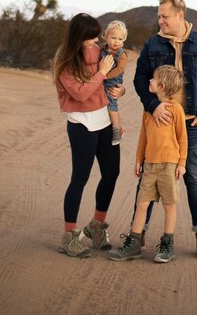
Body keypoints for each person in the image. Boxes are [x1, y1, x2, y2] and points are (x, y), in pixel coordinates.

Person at [133, 0, 197, 260]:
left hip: (191, 123)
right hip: (160, 121)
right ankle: (139, 234)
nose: (160, 21)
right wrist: (153, 105)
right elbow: (140, 79)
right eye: (159, 16)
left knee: (194, 176)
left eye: (164, 16)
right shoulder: (153, 45)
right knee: (148, 176)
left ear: (180, 15)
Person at [53, 13, 123, 258]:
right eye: (91, 36)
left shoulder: (96, 50)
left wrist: (119, 89)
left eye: (97, 36)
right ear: (78, 36)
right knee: (79, 178)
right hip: (81, 124)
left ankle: (95, 226)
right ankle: (69, 236)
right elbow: (81, 94)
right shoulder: (64, 62)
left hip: (104, 120)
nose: (95, 41)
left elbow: (108, 79)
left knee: (112, 172)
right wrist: (102, 73)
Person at [109, 65, 187, 263]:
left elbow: (183, 138)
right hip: (150, 165)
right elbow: (143, 137)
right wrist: (138, 160)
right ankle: (134, 244)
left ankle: (167, 244)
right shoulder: (149, 109)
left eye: (152, 80)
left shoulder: (176, 109)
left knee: (169, 205)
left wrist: (181, 163)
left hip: (169, 165)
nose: (149, 82)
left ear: (161, 86)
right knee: (142, 203)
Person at [100, 20, 128, 145]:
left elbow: (120, 69)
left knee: (111, 105)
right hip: (101, 80)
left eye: (120, 39)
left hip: (112, 82)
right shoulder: (101, 50)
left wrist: (105, 75)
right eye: (113, 38)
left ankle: (117, 129)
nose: (117, 41)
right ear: (106, 37)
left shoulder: (121, 55)